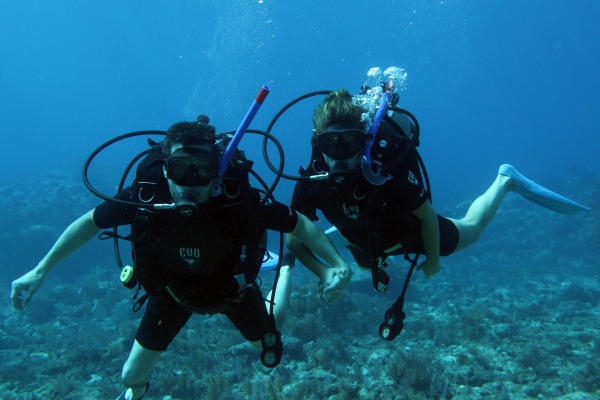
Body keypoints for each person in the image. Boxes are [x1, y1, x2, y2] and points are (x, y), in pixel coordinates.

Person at [10, 118, 350, 400]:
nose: (191, 182)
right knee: (130, 376)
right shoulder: (145, 196)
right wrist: (40, 270)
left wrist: (336, 265)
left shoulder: (238, 199)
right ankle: (137, 392)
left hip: (232, 289)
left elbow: (300, 223)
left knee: (268, 346)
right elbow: (88, 223)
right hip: (173, 293)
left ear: (217, 171)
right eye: (180, 168)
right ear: (165, 169)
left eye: (202, 169)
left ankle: (285, 266)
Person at [286, 89, 590, 297]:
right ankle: (350, 240)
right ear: (317, 143)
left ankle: (505, 180)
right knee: (364, 261)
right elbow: (294, 237)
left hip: (408, 232)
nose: (340, 156)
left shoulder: (386, 172)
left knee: (472, 230)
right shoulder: (312, 179)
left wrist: (432, 260)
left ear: (364, 140)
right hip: (363, 239)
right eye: (330, 145)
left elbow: (427, 217)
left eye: (350, 143)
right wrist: (323, 272)